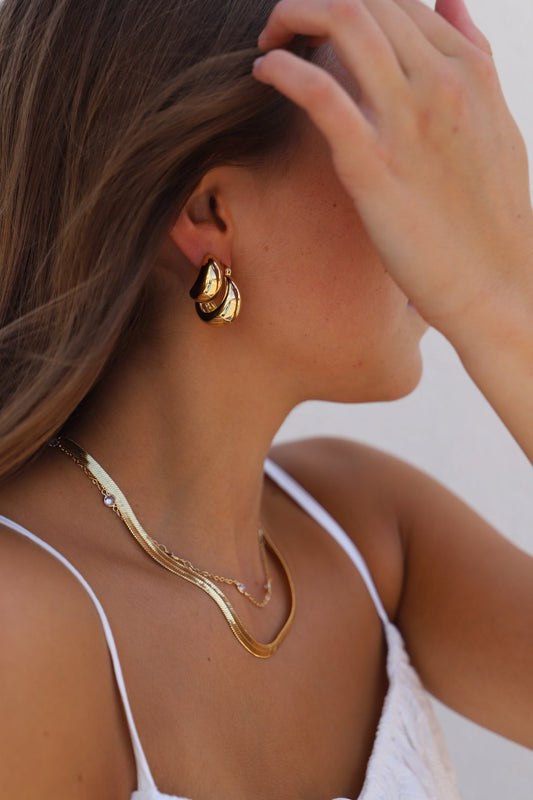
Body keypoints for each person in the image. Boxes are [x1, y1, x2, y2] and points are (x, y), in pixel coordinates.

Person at [0, 0, 532, 797]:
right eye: (393, 132)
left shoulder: (368, 529)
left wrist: (503, 296)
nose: (458, 204)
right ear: (209, 214)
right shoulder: (22, 627)